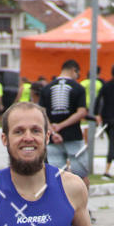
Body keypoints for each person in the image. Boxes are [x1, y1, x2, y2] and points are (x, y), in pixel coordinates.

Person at [39, 59, 89, 189]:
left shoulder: (46, 89)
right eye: (77, 74)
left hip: (52, 138)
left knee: (56, 176)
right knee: (81, 175)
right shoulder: (78, 88)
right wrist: (62, 126)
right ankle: (83, 207)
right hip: (74, 136)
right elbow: (82, 112)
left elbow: (41, 113)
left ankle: (59, 207)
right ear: (74, 70)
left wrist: (54, 131)